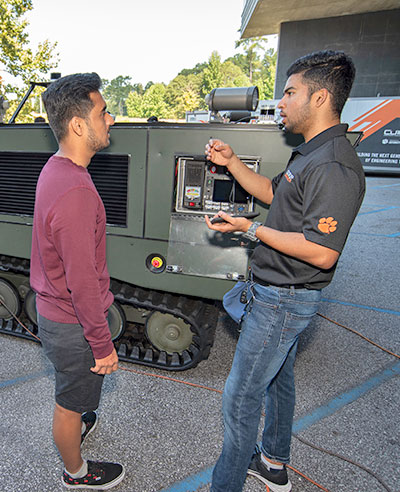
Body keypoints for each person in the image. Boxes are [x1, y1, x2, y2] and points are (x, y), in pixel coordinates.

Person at [205, 51, 365, 492]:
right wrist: (233, 162)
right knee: (278, 379)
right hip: (275, 294)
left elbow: (320, 251)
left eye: (290, 93)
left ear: (320, 98)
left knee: (239, 399)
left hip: (284, 299)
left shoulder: (333, 165)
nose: (282, 103)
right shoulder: (309, 153)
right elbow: (276, 194)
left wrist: (251, 229)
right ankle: (273, 463)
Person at [30, 73, 125, 489]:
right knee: (69, 405)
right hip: (73, 326)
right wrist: (102, 345)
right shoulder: (76, 192)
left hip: (55, 314)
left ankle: (80, 425)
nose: (111, 119)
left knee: (75, 400)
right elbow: (82, 283)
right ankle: (77, 473)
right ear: (79, 125)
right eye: (103, 112)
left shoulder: (55, 169)